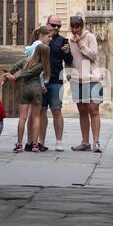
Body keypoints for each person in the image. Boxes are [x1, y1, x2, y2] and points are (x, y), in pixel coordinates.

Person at [4, 26, 51, 152]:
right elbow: (30, 73)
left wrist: (10, 74)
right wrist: (14, 77)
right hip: (36, 90)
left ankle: (19, 144)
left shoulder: (26, 60)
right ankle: (35, 144)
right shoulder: (42, 65)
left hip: (24, 89)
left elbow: (16, 66)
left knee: (22, 118)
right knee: (36, 117)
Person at [67, 14, 104, 152]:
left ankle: (96, 142)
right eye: (73, 27)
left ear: (82, 26)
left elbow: (93, 55)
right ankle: (85, 142)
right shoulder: (69, 41)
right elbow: (69, 60)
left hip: (93, 79)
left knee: (93, 110)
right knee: (82, 111)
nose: (75, 30)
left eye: (78, 26)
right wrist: (68, 74)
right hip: (77, 80)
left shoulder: (90, 37)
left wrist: (80, 44)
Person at [38, 13, 69, 152]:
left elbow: (69, 60)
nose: (56, 28)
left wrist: (67, 53)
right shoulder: (41, 38)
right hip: (41, 80)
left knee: (57, 110)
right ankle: (41, 141)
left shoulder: (63, 41)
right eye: (53, 25)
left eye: (58, 26)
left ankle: (59, 142)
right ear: (47, 23)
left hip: (56, 80)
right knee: (41, 111)